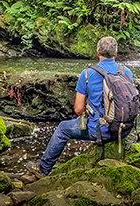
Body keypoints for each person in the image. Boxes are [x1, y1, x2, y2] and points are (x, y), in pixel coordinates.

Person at [36, 36, 134, 175]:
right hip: (123, 129)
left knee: (63, 128)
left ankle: (43, 169)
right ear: (116, 53)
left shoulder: (87, 74)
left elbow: (78, 109)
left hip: (99, 131)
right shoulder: (126, 72)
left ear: (97, 52)